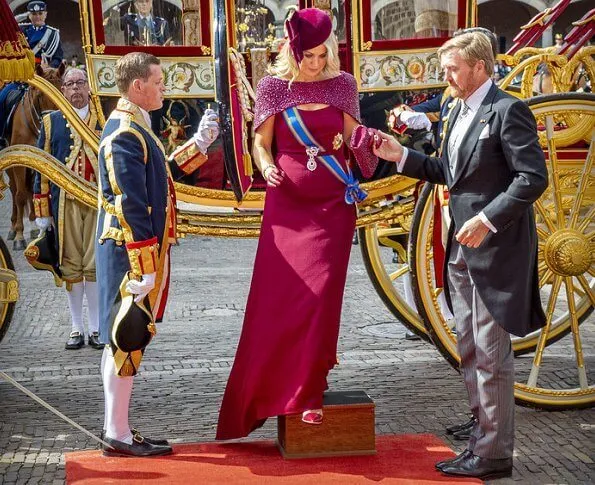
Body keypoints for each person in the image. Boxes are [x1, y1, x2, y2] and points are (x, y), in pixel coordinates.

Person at [373, 31, 547, 479]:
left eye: (452, 68)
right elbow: (447, 172)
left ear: (480, 68)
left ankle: (492, 453)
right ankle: (481, 432)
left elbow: (531, 178)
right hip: (460, 251)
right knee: (470, 349)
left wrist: (487, 219)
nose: (445, 76)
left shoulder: (509, 110)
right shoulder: (454, 109)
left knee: (491, 354)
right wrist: (402, 156)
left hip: (495, 249)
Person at [216, 8, 374, 439]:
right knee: (284, 299)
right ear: (293, 51)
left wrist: (365, 142)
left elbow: (358, 145)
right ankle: (274, 390)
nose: (317, 63)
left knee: (320, 300)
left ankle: (308, 391)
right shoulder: (272, 88)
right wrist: (265, 166)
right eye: (310, 56)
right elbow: (260, 142)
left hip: (332, 207)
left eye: (324, 55)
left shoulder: (344, 86)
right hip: (286, 208)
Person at [96, 52, 218, 457]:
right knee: (127, 335)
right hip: (130, 252)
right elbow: (130, 201)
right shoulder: (124, 132)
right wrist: (145, 265)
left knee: (124, 337)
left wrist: (199, 144)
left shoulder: (135, 126)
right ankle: (118, 432)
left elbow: (159, 172)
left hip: (135, 251)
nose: (163, 87)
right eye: (158, 80)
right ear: (137, 86)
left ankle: (119, 427)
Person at [33, 68, 104, 351]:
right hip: (64, 207)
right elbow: (42, 167)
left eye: (80, 82)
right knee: (71, 267)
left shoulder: (104, 119)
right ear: (62, 90)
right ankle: (76, 327)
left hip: (97, 203)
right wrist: (41, 209)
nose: (75, 88)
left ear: (88, 87)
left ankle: (97, 328)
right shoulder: (51, 123)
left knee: (95, 266)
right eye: (70, 83)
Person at [0, 0, 63, 146]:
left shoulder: (53, 34)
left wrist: (48, 69)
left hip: (45, 79)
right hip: (23, 79)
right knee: (2, 98)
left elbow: (58, 58)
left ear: (45, 14)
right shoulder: (20, 32)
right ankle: (2, 136)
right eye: (34, 14)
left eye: (40, 13)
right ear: (29, 15)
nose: (37, 17)